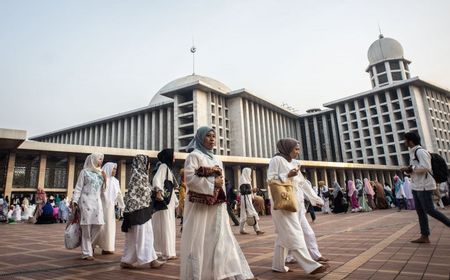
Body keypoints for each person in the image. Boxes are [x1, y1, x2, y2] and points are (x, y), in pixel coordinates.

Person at [180, 126, 255, 280]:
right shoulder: (194, 156)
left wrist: (218, 185)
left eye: (214, 136)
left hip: (217, 205)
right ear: (200, 138)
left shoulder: (216, 158)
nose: (212, 139)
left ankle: (233, 275)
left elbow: (221, 182)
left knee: (223, 238)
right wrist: (213, 182)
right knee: (201, 240)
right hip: (200, 208)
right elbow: (190, 180)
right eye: (208, 136)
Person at [268, 138, 326, 275]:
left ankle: (278, 266)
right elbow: (270, 179)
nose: (298, 152)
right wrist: (287, 175)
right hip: (282, 203)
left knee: (283, 236)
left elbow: (303, 183)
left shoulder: (295, 163)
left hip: (295, 203)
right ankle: (310, 265)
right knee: (295, 233)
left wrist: (315, 198)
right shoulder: (276, 160)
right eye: (296, 149)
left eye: (298, 149)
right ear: (287, 148)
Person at [400, 132, 450, 243]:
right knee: (420, 211)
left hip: (425, 186)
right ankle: (425, 235)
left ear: (410, 141)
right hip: (416, 186)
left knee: (430, 210)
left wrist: (410, 168)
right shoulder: (413, 152)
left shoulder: (420, 152)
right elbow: (416, 170)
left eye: (405, 140)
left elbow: (426, 167)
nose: (404, 142)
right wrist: (408, 170)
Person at [120, 155, 164, 269]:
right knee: (145, 235)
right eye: (147, 163)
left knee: (134, 237)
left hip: (134, 211)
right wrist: (156, 193)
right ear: (142, 164)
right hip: (140, 211)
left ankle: (127, 260)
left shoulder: (136, 174)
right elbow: (145, 192)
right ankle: (151, 260)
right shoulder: (140, 176)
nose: (149, 165)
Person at [72, 153, 106, 260]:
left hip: (97, 202)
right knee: (86, 227)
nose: (101, 161)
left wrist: (105, 180)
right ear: (93, 160)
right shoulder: (84, 172)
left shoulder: (101, 173)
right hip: (85, 201)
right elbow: (78, 187)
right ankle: (87, 253)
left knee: (100, 225)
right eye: (99, 159)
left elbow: (103, 190)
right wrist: (75, 201)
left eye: (101, 159)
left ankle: (87, 247)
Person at [152, 149, 179, 260]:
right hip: (165, 202)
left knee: (168, 225)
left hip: (169, 202)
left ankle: (168, 251)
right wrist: (158, 191)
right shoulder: (163, 167)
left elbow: (171, 187)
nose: (174, 158)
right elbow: (156, 179)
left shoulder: (167, 168)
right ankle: (167, 252)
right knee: (166, 225)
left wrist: (176, 202)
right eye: (173, 156)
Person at [95, 162, 125, 254]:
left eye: (115, 169)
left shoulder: (116, 181)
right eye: (113, 169)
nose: (115, 171)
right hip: (100, 206)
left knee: (109, 228)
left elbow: (119, 194)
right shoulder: (100, 179)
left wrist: (122, 206)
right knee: (97, 227)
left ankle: (107, 247)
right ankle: (92, 246)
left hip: (110, 209)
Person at [239, 167, 264, 235]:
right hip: (246, 200)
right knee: (252, 213)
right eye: (249, 173)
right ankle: (257, 230)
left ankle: (241, 230)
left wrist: (252, 191)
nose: (249, 174)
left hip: (247, 199)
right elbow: (243, 191)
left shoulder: (247, 181)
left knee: (244, 214)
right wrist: (252, 190)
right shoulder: (243, 181)